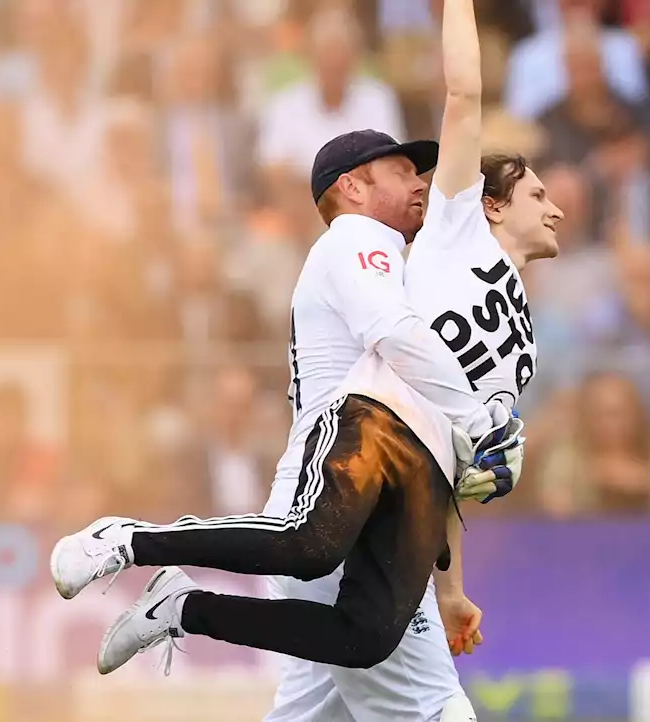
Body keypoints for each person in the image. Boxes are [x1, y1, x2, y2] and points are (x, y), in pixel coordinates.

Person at [48, 102, 525, 683]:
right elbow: (395, 335)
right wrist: (480, 422)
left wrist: (451, 557)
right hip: (350, 434)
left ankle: (180, 608)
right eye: (401, 171)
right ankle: (125, 539)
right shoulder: (356, 238)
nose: (419, 181)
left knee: (367, 636)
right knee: (308, 548)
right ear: (352, 186)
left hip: (404, 466)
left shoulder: (402, 260)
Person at [265, 1, 564, 720]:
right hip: (348, 502)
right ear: (492, 205)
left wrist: (450, 583)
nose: (555, 207)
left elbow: (446, 462)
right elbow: (464, 91)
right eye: (537, 192)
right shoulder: (451, 232)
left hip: (378, 500)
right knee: (437, 712)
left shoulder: (518, 338)